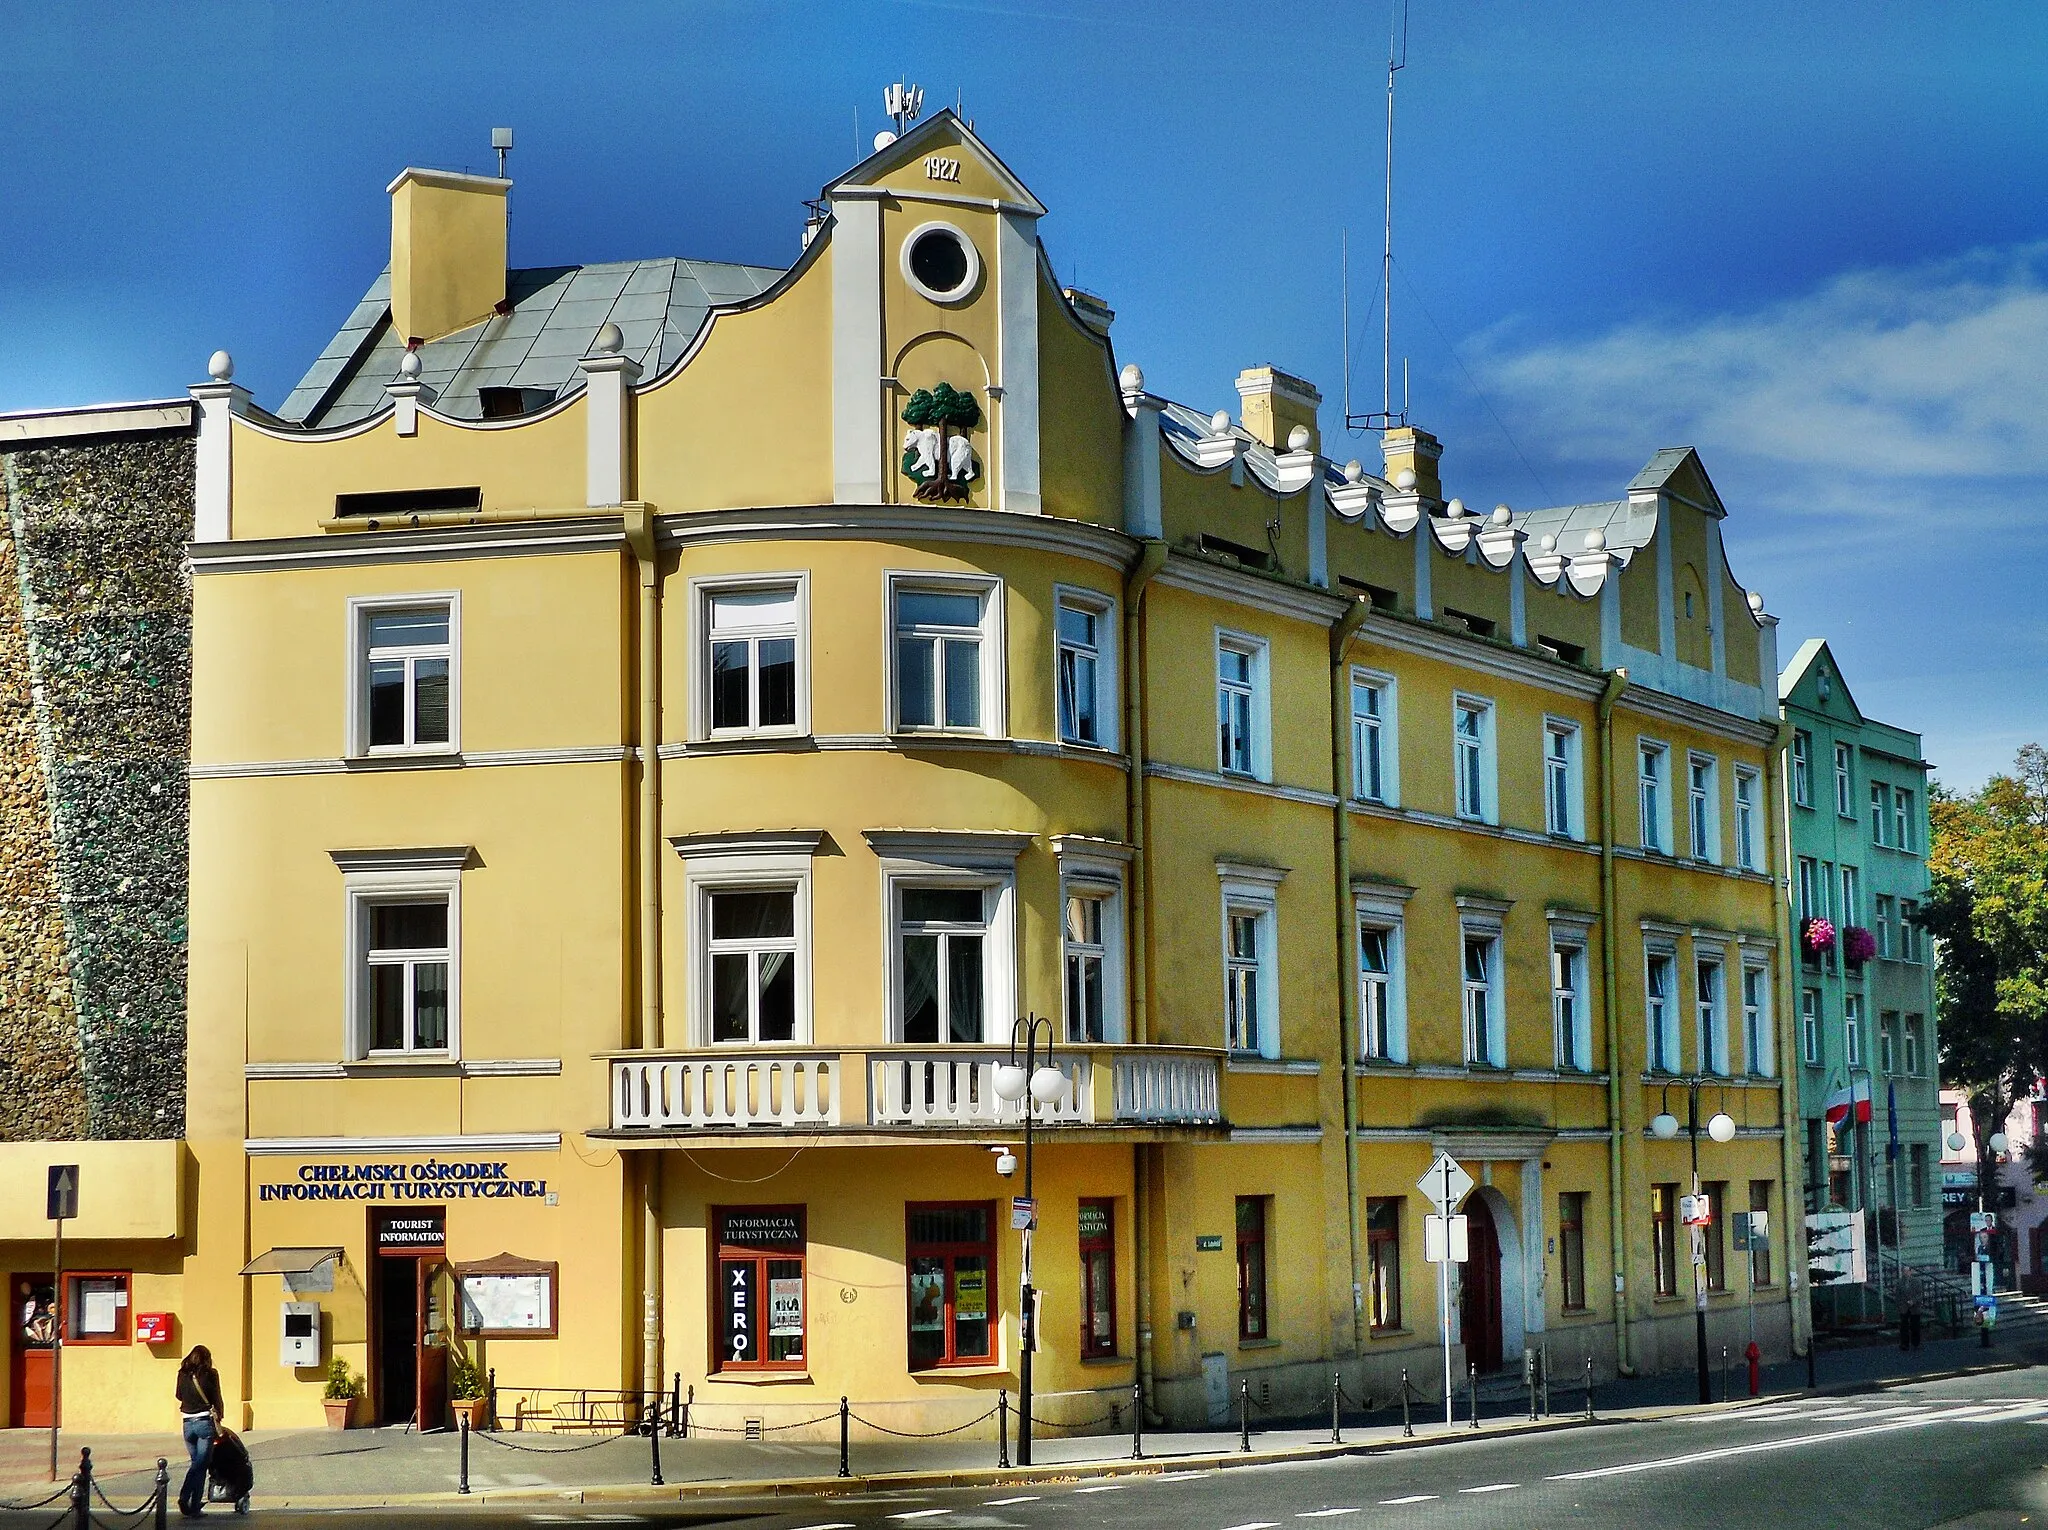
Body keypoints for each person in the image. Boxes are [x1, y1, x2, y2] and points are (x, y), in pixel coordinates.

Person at [174, 1345, 224, 1517]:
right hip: (204, 1423)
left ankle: (193, 1504)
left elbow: (178, 1395)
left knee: (198, 1464)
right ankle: (186, 1498)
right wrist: (220, 1416)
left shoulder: (182, 1373)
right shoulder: (210, 1374)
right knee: (200, 1465)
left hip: (187, 1424)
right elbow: (216, 1397)